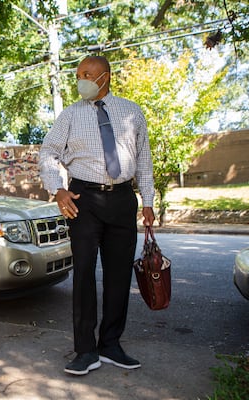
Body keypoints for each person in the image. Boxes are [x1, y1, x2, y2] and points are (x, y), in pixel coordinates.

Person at [39, 56, 156, 376]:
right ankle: (85, 350)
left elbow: (144, 158)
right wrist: (58, 189)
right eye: (77, 75)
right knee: (85, 276)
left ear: (105, 76)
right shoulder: (70, 115)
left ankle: (111, 344)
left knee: (119, 276)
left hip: (122, 200)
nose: (81, 81)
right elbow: (48, 152)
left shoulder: (131, 112)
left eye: (87, 74)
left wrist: (148, 200)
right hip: (83, 200)